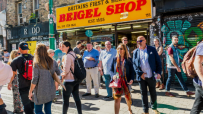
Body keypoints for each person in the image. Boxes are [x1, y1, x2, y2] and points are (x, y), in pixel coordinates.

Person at [133, 36, 162, 114]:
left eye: (141, 41)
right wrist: (140, 73)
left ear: (145, 41)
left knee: (153, 93)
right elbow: (134, 65)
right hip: (141, 77)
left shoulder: (152, 49)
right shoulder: (136, 52)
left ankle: (154, 108)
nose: (139, 42)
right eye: (138, 41)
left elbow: (158, 62)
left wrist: (159, 72)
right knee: (143, 94)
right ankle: (145, 110)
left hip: (151, 76)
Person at [28, 43, 60, 114]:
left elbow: (35, 79)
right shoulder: (53, 61)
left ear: (37, 51)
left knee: (38, 111)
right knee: (48, 110)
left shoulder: (37, 63)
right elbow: (58, 73)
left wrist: (30, 91)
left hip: (40, 91)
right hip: (51, 89)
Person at [8, 42, 34, 114]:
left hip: (23, 85)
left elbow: (12, 74)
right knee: (32, 102)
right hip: (33, 84)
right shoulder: (34, 58)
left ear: (19, 49)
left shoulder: (16, 60)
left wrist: (9, 83)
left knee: (26, 103)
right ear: (27, 49)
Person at [110, 43, 134, 114]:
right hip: (117, 81)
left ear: (124, 50)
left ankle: (129, 109)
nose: (119, 50)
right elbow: (111, 70)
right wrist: (113, 75)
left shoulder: (129, 60)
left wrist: (132, 79)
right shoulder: (114, 59)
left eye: (121, 49)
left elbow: (132, 71)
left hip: (126, 81)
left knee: (127, 97)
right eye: (118, 49)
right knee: (117, 99)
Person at [61, 41, 82, 114]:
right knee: (77, 98)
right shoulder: (74, 54)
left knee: (65, 101)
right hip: (76, 80)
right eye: (61, 46)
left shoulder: (67, 56)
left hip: (69, 80)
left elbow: (66, 70)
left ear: (68, 47)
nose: (61, 48)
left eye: (63, 46)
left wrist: (62, 75)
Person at [191, 41, 203, 114]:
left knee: (198, 105)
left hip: (199, 83)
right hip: (201, 82)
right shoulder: (202, 45)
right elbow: (197, 62)